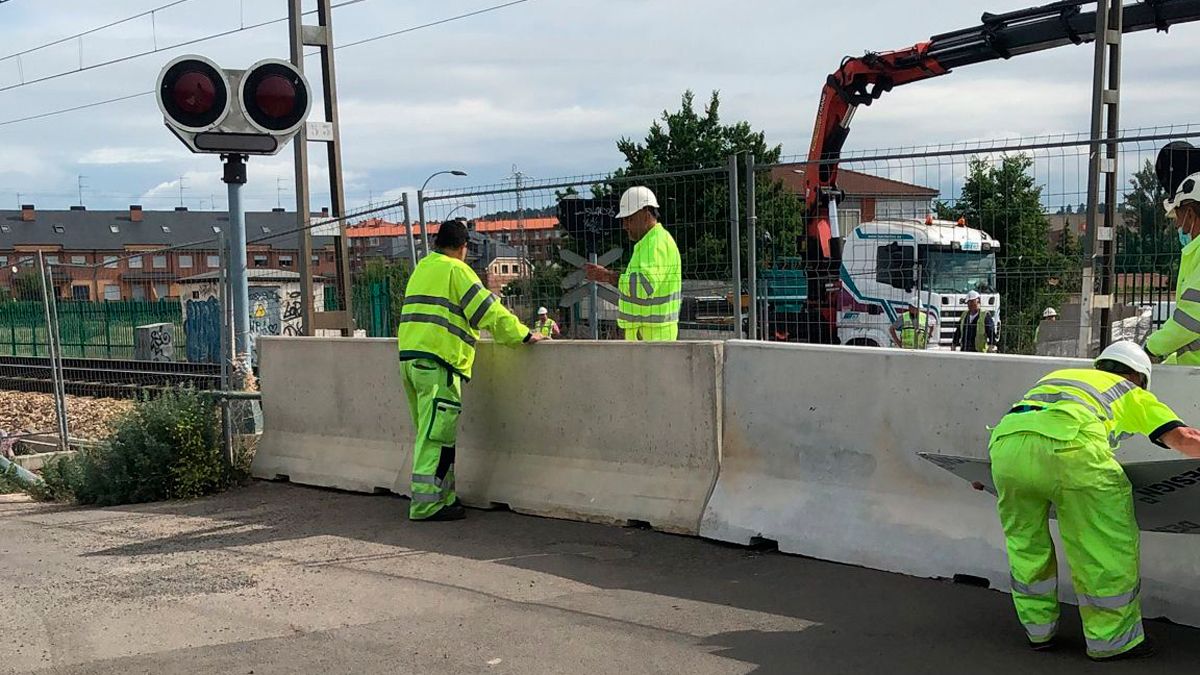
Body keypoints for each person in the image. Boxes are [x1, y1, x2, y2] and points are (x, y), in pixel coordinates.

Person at [988, 341, 1200, 661]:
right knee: (1104, 545)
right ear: (1139, 377)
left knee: (1025, 544)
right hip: (1073, 455)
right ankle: (1112, 641)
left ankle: (1038, 631)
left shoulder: (1059, 377)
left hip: (1005, 452)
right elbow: (1185, 439)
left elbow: (1025, 427)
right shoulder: (1129, 391)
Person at [396, 220, 544, 522]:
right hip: (440, 363)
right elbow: (488, 311)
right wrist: (523, 334)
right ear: (464, 247)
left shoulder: (423, 267)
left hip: (410, 361)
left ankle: (444, 497)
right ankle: (426, 504)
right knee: (436, 437)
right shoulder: (457, 270)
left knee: (430, 433)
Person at [584, 186, 682, 341]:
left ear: (646, 215)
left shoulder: (655, 244)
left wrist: (608, 276)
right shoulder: (649, 243)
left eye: (629, 219)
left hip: (652, 338)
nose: (625, 225)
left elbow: (642, 287)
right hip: (649, 334)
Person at [1146, 141, 1200, 366]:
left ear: (1190, 212)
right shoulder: (1194, 253)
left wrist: (1147, 352)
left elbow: (1192, 317)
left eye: (1177, 215)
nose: (1178, 224)